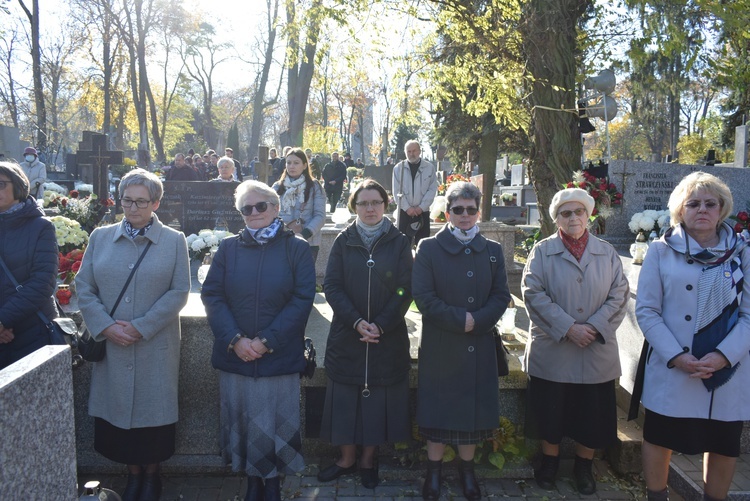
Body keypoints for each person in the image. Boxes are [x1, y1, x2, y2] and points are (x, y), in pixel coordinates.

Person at [75, 168, 190, 501]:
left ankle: (152, 476)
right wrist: (106, 326)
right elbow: (84, 285)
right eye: (127, 200)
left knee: (152, 416)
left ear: (156, 202)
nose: (133, 208)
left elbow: (179, 291)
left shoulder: (173, 241)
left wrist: (142, 326)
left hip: (154, 345)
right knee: (119, 416)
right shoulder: (100, 237)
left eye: (141, 201)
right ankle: (132, 474)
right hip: (111, 344)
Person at [635, 172, 750, 501]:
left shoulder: (743, 252)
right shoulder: (660, 251)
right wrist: (677, 356)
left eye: (710, 203)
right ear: (679, 210)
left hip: (727, 369)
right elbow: (647, 311)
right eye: (693, 203)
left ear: (722, 209)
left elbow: (749, 315)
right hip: (675, 366)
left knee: (723, 442)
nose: (702, 209)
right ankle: (657, 495)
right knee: (660, 437)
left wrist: (723, 356)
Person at [201, 180, 316, 501]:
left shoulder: (297, 248)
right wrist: (235, 339)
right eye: (246, 209)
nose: (253, 213)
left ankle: (273, 483)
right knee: (243, 420)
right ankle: (253, 482)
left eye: (260, 206)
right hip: (236, 356)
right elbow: (213, 295)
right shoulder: (227, 249)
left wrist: (266, 341)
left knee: (275, 422)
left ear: (276, 208)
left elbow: (303, 298)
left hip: (278, 355)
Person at [521, 187, 629, 495]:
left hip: (595, 349)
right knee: (550, 411)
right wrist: (569, 327)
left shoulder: (606, 251)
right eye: (566, 213)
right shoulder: (542, 251)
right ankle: (550, 461)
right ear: (557, 218)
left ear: (588, 215)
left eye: (579, 212)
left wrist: (593, 327)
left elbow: (618, 294)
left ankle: (584, 466)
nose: (573, 218)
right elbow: (533, 294)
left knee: (591, 413)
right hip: (555, 349)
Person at [413, 181, 511, 501]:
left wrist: (479, 320)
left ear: (478, 211)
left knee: (471, 416)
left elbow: (501, 296)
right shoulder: (428, 248)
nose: (465, 215)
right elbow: (423, 297)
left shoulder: (493, 250)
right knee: (439, 414)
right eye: (458, 209)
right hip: (442, 346)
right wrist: (460, 320)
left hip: (478, 344)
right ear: (447, 212)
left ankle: (468, 474)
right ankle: (434, 473)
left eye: (471, 209)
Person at [317, 179, 412, 489]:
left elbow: (405, 288)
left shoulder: (398, 241)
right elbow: (332, 285)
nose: (370, 208)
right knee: (345, 399)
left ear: (386, 205)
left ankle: (369, 460)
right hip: (349, 333)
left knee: (377, 401)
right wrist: (357, 321)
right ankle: (345, 459)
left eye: (376, 202)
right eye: (363, 203)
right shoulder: (344, 241)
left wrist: (381, 324)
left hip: (387, 335)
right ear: (353, 207)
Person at [0, 162, 58, 370]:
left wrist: (3, 320)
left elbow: (43, 282)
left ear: (18, 187)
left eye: (0, 184)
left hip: (32, 333)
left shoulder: (40, 227)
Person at [272, 148, 326, 264]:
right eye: (289, 163)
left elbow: (320, 216)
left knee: (304, 279)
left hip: (308, 242)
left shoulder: (315, 187)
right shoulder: (277, 187)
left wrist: (303, 235)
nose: (292, 166)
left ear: (305, 165)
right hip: (281, 241)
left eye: (296, 163)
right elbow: (270, 213)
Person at [392, 140, 438, 248]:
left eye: (414, 151)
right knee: (403, 245)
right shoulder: (398, 168)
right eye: (409, 151)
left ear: (419, 151)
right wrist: (407, 208)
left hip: (422, 212)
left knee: (423, 245)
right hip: (404, 212)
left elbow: (432, 189)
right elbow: (396, 191)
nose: (411, 154)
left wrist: (421, 207)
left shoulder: (429, 168)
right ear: (405, 152)